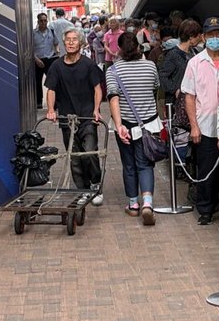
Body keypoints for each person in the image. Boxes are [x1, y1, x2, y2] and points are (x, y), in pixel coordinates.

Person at [181, 16, 219, 229]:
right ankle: (205, 209)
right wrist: (194, 125)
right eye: (211, 35)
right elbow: (189, 96)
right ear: (203, 37)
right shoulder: (195, 63)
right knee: (205, 170)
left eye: (218, 34)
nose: (215, 38)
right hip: (205, 126)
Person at [44, 29, 105, 204]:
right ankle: (83, 189)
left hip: (86, 117)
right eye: (68, 40)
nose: (71, 43)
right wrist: (50, 109)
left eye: (74, 40)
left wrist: (96, 109)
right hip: (67, 118)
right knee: (75, 155)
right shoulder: (56, 66)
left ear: (80, 43)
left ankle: (95, 184)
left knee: (90, 151)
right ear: (64, 44)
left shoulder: (89, 65)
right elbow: (51, 90)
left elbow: (97, 89)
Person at [107, 31, 162, 224]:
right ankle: (147, 203)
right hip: (149, 124)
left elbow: (113, 97)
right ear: (138, 46)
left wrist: (119, 124)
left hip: (126, 125)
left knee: (129, 164)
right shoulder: (150, 66)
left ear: (119, 49)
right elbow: (155, 87)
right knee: (145, 164)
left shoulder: (113, 70)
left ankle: (133, 205)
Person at [31, 12, 57, 107]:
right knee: (38, 82)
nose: (43, 23)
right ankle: (39, 102)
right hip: (38, 60)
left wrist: (56, 54)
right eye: (41, 21)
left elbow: (56, 43)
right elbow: (30, 48)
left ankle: (54, 103)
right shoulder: (33, 33)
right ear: (38, 21)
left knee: (52, 82)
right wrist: (36, 59)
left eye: (45, 20)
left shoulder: (51, 32)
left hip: (49, 59)